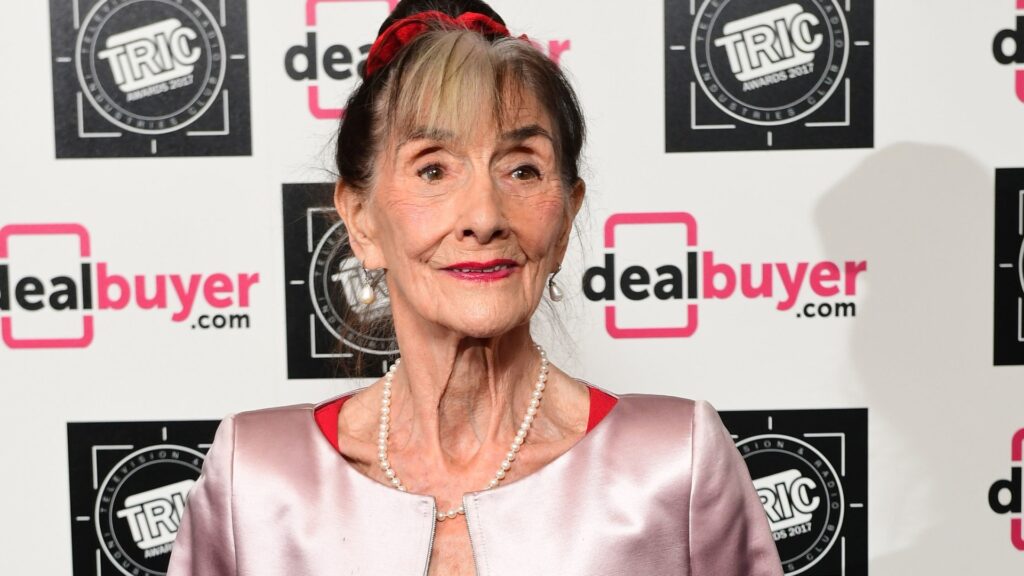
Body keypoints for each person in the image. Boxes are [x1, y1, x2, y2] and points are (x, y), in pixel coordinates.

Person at [167, 1, 784, 574]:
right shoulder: (254, 477)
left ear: (566, 219)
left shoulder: (676, 465)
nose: (484, 217)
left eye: (522, 169)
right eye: (434, 169)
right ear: (360, 220)